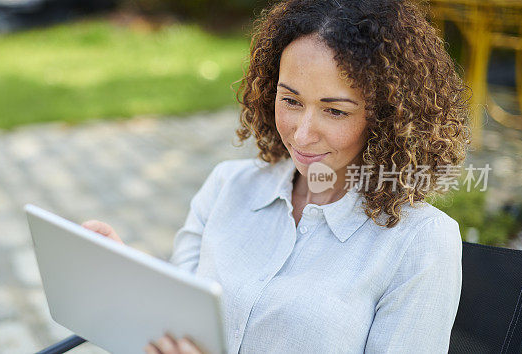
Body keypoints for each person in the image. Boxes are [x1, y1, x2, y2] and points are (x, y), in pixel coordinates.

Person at [82, 0, 471, 352]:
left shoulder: (420, 243)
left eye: (334, 111)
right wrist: (132, 276)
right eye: (290, 100)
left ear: (389, 117)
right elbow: (181, 316)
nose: (301, 135)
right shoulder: (227, 187)